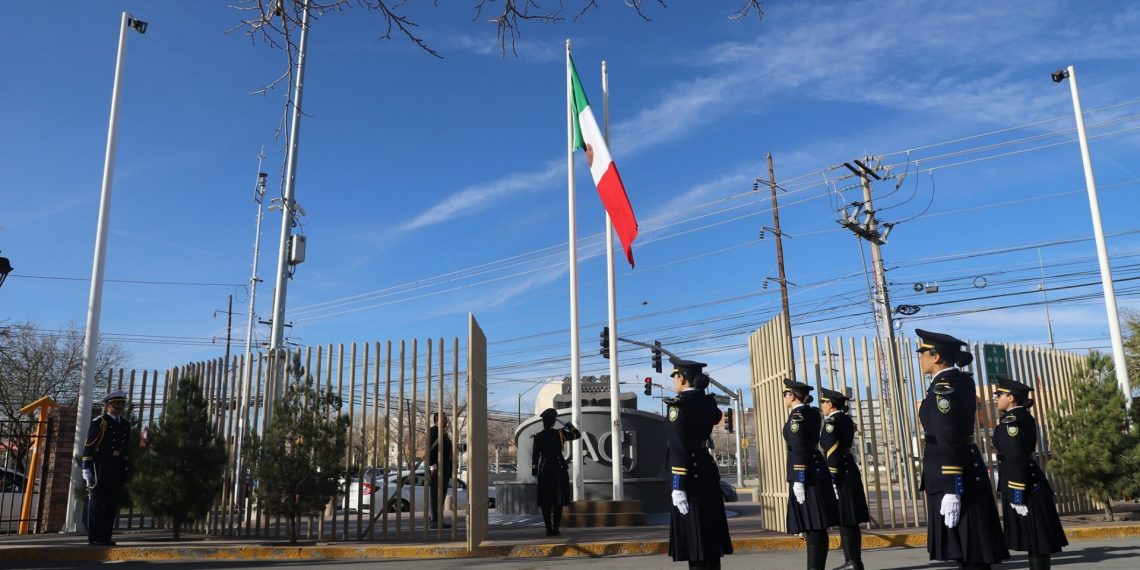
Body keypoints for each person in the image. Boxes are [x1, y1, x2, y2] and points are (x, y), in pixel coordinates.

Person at [915, 328, 1009, 569]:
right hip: (965, 466)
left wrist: (952, 487)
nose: (920, 358)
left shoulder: (943, 388)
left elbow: (948, 435)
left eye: (922, 353)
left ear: (936, 356)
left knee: (968, 551)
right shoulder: (960, 382)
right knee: (972, 550)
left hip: (952, 473)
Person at [991, 378, 1067, 569]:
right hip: (1028, 483)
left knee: (1036, 539)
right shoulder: (1020, 417)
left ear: (1011, 398)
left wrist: (1017, 493)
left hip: (1024, 486)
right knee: (1036, 540)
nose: (996, 398)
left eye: (999, 395)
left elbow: (1016, 456)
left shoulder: (1012, 421)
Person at [665, 356, 732, 569]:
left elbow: (679, 446)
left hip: (689, 476)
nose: (674, 381)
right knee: (709, 533)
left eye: (675, 376)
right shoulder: (708, 402)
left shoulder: (677, 406)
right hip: (706, 468)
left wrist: (678, 485)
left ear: (682, 378)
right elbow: (715, 416)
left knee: (695, 538)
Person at [783, 378, 839, 570]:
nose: (784, 397)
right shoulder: (813, 412)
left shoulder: (796, 417)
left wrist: (799, 479)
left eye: (785, 394)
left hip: (806, 474)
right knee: (818, 525)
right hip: (816, 468)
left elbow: (798, 447)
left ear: (792, 396)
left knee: (813, 525)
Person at [818, 387, 870, 570]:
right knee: (850, 519)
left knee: (846, 519)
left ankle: (852, 562)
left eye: (823, 402)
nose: (821, 406)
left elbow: (831, 450)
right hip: (849, 470)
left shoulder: (832, 422)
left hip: (840, 473)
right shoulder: (845, 419)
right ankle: (854, 561)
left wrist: (832, 476)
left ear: (830, 404)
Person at [82, 389, 132, 546]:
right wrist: (86, 467)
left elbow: (125, 448)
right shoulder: (101, 422)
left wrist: (126, 466)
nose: (120, 406)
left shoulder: (125, 424)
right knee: (97, 502)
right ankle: (94, 536)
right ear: (108, 405)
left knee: (111, 503)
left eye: (122, 403)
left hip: (117, 465)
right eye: (117, 403)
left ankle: (105, 536)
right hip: (101, 465)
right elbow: (89, 445)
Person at [530, 407, 581, 536]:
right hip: (559, 469)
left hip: (545, 470)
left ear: (544, 422)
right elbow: (577, 434)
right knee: (558, 500)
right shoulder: (560, 433)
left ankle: (548, 529)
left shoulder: (538, 436)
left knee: (545, 501)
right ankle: (555, 528)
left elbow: (535, 456)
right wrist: (568, 425)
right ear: (554, 421)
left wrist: (534, 472)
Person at [426, 411, 453, 529]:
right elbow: (430, 449)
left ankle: (439, 519)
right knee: (435, 494)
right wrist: (432, 466)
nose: (446, 420)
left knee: (441, 494)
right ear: (436, 419)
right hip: (437, 468)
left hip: (445, 467)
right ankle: (434, 520)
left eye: (446, 418)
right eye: (443, 418)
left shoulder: (444, 433)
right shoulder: (434, 431)